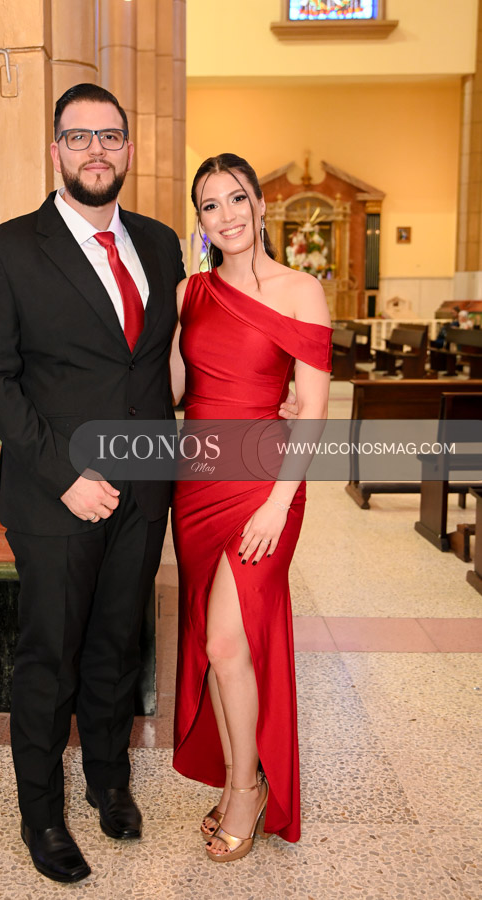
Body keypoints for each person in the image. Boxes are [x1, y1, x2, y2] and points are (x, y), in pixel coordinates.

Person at [0, 83, 185, 884]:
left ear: (129, 148)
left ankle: (108, 782)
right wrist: (65, 475)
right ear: (55, 150)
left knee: (117, 642)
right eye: (79, 136)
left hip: (143, 484)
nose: (97, 150)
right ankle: (41, 813)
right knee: (49, 655)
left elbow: (157, 364)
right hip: (56, 493)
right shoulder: (5, 250)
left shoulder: (160, 245)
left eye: (111, 136)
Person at [169, 153, 332, 861]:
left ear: (261, 206)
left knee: (226, 643)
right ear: (199, 219)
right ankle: (245, 774)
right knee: (216, 647)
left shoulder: (300, 290)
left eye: (237, 199)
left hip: (265, 484)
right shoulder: (188, 290)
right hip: (198, 479)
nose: (226, 215)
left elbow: (314, 411)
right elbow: (171, 383)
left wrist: (278, 503)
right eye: (210, 205)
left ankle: (244, 788)